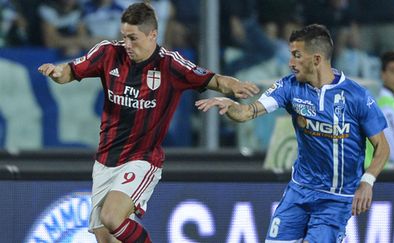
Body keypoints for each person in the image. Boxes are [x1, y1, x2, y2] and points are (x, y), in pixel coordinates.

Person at [38, 2, 259, 243]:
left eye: (133, 38)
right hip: (105, 159)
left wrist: (234, 85)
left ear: (153, 34)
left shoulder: (170, 64)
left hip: (142, 158)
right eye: (124, 37)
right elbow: (71, 70)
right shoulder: (108, 53)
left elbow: (214, 80)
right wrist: (57, 73)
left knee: (112, 217)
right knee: (105, 236)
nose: (127, 45)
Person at [196, 24, 390, 242]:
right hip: (298, 192)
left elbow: (382, 146)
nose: (290, 63)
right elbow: (247, 113)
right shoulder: (289, 87)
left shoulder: (357, 96)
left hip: (335, 199)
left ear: (316, 59)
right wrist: (230, 104)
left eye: (297, 56)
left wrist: (367, 182)